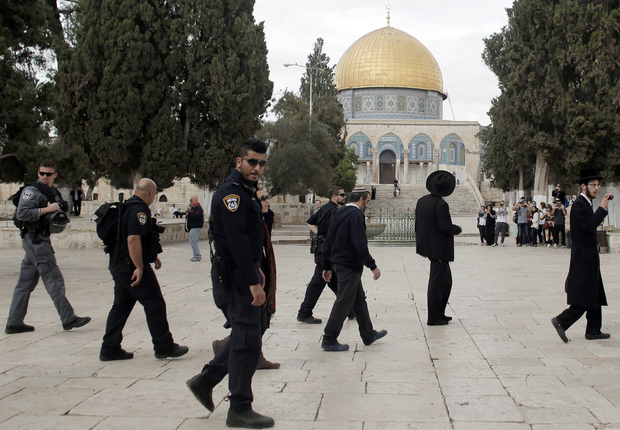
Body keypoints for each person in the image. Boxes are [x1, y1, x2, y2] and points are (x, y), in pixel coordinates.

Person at [186, 138, 274, 429]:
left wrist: (257, 270)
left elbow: (249, 240)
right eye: (252, 162)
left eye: (261, 163)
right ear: (239, 161)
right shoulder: (231, 195)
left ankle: (205, 380)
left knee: (249, 333)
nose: (257, 168)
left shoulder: (246, 192)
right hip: (236, 278)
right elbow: (236, 242)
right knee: (247, 340)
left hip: (245, 272)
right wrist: (252, 281)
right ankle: (239, 407)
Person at [99, 178, 188, 361]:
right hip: (130, 266)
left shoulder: (126, 207)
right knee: (154, 303)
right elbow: (133, 239)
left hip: (118, 263)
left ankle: (109, 347)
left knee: (121, 306)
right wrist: (139, 266)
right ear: (151, 193)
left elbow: (139, 238)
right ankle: (164, 346)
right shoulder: (139, 211)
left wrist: (152, 255)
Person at [5, 160, 91, 335]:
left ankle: (14, 322)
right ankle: (68, 318)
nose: (44, 177)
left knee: (25, 282)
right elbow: (22, 213)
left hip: (38, 239)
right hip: (35, 240)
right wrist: (46, 210)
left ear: (54, 175)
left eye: (48, 174)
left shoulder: (51, 192)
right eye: (42, 173)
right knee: (54, 279)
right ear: (38, 174)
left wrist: (58, 208)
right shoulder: (31, 191)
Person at [212, 189, 280, 370]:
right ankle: (216, 368)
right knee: (255, 320)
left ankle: (249, 354)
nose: (267, 201)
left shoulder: (260, 219)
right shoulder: (246, 222)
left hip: (258, 269)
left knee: (259, 319)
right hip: (249, 274)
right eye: (263, 198)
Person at [320, 187, 387, 351]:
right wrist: (373, 266)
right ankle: (329, 338)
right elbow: (360, 244)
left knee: (358, 300)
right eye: (368, 202)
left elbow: (329, 241)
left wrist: (327, 265)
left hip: (338, 263)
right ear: (361, 199)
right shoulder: (356, 215)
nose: (367, 206)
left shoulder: (338, 212)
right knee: (343, 301)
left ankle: (368, 334)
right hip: (349, 265)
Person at [551, 169, 613, 343]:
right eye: (593, 185)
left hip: (589, 252)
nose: (596, 188)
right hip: (583, 254)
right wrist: (602, 208)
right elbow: (588, 225)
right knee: (585, 293)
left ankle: (593, 329)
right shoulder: (579, 203)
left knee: (594, 291)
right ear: (583, 186)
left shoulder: (586, 203)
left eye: (597, 185)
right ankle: (562, 320)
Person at [415, 170, 462, 326]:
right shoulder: (441, 204)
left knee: (446, 282)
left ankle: (440, 313)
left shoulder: (422, 201)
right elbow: (445, 227)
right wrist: (457, 229)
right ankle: (433, 317)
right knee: (436, 284)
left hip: (428, 246)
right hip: (439, 249)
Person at [297, 186, 347, 324]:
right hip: (327, 251)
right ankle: (304, 312)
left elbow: (310, 222)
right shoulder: (333, 211)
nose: (344, 197)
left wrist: (318, 235)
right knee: (318, 282)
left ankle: (352, 309)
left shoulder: (324, 209)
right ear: (334, 197)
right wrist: (322, 236)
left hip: (323, 249)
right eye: (342, 195)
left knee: (333, 281)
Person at [187, 196, 204, 262]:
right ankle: (196, 255)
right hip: (193, 226)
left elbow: (196, 216)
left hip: (196, 226)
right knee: (193, 240)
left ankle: (197, 255)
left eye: (191, 200)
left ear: (196, 200)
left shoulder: (198, 207)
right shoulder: (193, 207)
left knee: (193, 241)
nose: (190, 201)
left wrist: (189, 215)